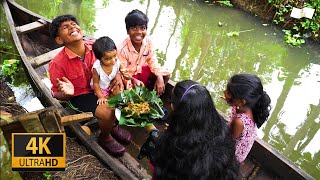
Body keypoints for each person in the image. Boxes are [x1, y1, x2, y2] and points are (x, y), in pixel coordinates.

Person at [48, 14, 131, 157]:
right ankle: (105, 137)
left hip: (101, 86)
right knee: (107, 111)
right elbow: (56, 94)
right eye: (65, 27)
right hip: (80, 95)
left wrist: (117, 75)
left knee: (121, 93)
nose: (72, 27)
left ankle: (113, 126)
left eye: (73, 24)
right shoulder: (57, 64)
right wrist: (67, 93)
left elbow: (114, 61)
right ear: (59, 40)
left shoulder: (95, 46)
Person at [138, 80, 239, 179]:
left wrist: (151, 129)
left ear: (181, 112)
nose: (169, 103)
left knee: (153, 144)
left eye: (171, 100)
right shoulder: (220, 127)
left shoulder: (178, 147)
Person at [117, 9, 170, 95]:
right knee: (126, 90)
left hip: (140, 72)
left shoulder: (148, 41)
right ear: (127, 31)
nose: (139, 32)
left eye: (143, 28)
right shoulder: (121, 50)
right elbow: (122, 72)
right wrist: (133, 80)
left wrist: (159, 76)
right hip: (128, 77)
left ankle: (154, 96)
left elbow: (152, 61)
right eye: (133, 28)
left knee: (165, 75)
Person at [222, 74, 271, 163]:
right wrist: (230, 100)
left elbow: (227, 140)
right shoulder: (248, 106)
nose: (224, 92)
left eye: (228, 93)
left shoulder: (239, 122)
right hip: (237, 136)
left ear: (241, 101)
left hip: (234, 155)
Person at [91, 36, 131, 105]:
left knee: (120, 96)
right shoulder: (97, 68)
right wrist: (100, 97)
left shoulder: (117, 62)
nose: (113, 61)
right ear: (100, 59)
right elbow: (96, 84)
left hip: (111, 84)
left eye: (115, 55)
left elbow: (125, 75)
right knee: (107, 102)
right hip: (101, 87)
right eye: (108, 59)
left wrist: (127, 76)